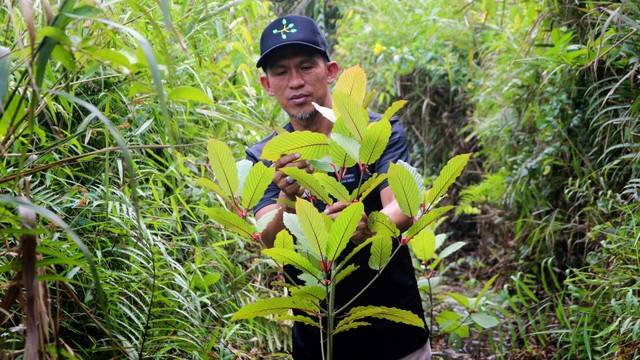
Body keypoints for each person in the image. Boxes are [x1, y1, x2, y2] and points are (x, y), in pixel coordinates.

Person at [245, 15, 432, 360]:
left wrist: (367, 223)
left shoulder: (376, 132)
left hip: (396, 336)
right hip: (319, 343)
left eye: (305, 67)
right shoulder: (265, 157)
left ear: (331, 71)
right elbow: (269, 239)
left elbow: (404, 205)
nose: (295, 82)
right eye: (281, 72)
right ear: (266, 84)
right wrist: (288, 200)